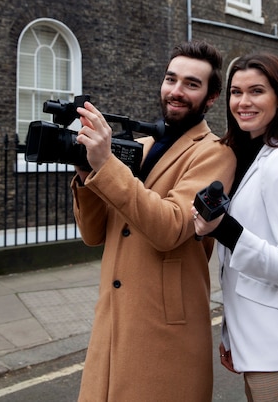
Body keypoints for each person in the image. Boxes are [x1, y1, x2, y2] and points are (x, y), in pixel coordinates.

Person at [71, 40, 236, 402]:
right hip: (113, 324)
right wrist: (86, 173)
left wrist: (107, 166)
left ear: (211, 97)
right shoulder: (140, 146)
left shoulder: (216, 152)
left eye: (191, 84)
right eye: (170, 79)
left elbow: (172, 227)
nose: (176, 91)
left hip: (165, 333)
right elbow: (93, 234)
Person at [192, 53, 278, 402]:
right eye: (236, 92)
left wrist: (225, 230)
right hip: (260, 353)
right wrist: (231, 335)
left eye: (256, 91)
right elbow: (238, 275)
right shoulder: (247, 158)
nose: (243, 102)